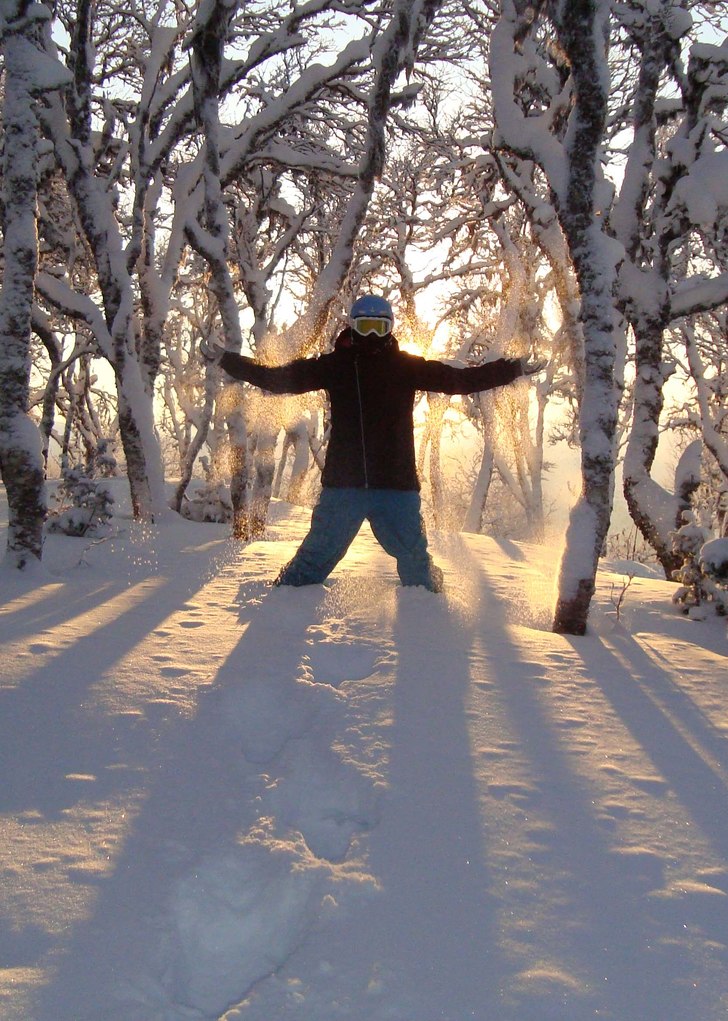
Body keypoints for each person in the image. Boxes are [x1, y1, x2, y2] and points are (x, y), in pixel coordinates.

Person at [202, 295, 537, 592]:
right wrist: (228, 360)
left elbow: (460, 380)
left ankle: (430, 614)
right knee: (316, 555)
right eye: (365, 327)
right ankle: (281, 603)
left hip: (396, 486)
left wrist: (513, 368)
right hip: (344, 486)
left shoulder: (407, 367)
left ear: (390, 328)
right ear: (353, 328)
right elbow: (278, 379)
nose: (373, 335)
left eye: (380, 327)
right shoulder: (334, 366)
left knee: (413, 558)